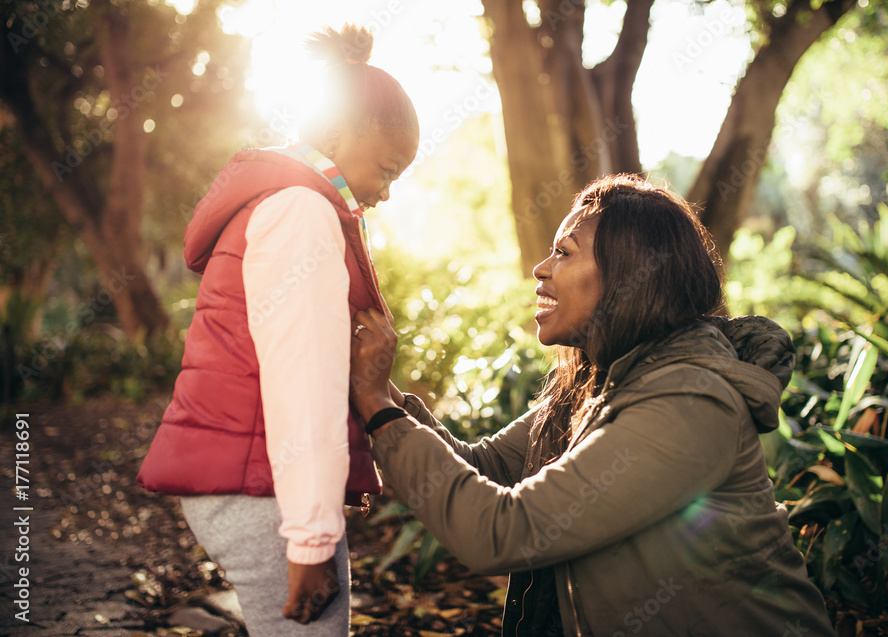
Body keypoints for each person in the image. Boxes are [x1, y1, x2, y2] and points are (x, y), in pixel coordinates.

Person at [349, 174, 837, 636]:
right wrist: (377, 388)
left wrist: (377, 407)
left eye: (563, 252)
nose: (540, 269)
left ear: (630, 277)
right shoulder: (597, 381)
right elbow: (488, 466)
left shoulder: (690, 401)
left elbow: (506, 531)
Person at [136, 24, 419, 635]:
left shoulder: (286, 203)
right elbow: (303, 387)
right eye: (388, 168)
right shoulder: (302, 213)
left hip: (250, 478)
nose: (389, 192)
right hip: (257, 482)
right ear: (336, 134)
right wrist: (312, 543)